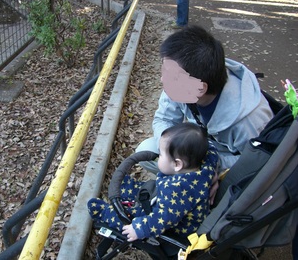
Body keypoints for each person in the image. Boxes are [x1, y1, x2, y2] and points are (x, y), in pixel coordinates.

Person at [136, 25, 274, 177]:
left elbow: (257, 162)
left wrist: (206, 165)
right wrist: (174, 150)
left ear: (200, 89)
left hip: (224, 163)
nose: (163, 79)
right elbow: (163, 118)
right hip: (190, 149)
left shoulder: (249, 120)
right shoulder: (182, 83)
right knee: (145, 150)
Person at [88, 123, 218, 242]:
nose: (158, 156)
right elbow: (211, 148)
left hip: (173, 227)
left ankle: (104, 212)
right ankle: (128, 191)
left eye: (161, 154)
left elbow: (162, 219)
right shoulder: (206, 163)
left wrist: (139, 229)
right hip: (172, 204)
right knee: (140, 188)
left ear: (177, 164)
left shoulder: (177, 191)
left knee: (129, 219)